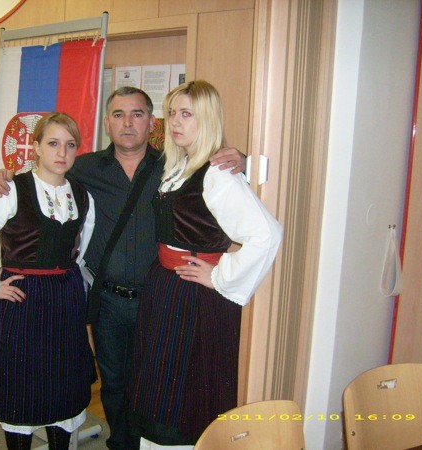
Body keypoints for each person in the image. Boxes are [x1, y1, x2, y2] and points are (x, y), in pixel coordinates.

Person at [0, 86, 246, 450]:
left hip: (158, 299)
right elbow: (45, 175)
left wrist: (243, 160)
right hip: (107, 300)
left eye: (137, 114)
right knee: (114, 382)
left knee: (155, 380)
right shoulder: (85, 167)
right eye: (119, 115)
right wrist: (5, 175)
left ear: (151, 122)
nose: (127, 123)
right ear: (107, 122)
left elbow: (216, 176)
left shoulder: (174, 166)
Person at [128, 80, 283, 449]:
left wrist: (219, 275)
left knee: (186, 391)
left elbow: (267, 234)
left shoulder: (217, 174)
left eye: (187, 114)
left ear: (207, 119)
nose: (175, 122)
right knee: (161, 383)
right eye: (173, 113)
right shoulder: (179, 165)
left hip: (193, 297)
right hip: (167, 287)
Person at [0, 112, 96, 450]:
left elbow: (81, 245)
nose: (61, 152)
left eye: (70, 145)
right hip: (22, 299)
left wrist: (71, 279)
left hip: (64, 301)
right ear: (36, 147)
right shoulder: (10, 190)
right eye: (53, 143)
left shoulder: (82, 195)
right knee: (22, 387)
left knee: (62, 384)